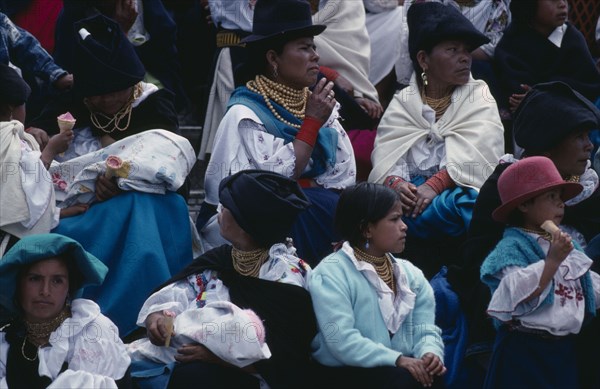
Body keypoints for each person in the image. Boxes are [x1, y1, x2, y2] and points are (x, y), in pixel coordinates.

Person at [24, 14, 194, 337]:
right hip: (86, 212)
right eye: (94, 96)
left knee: (150, 213)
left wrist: (126, 183)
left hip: (144, 208)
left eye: (110, 93)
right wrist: (37, 135)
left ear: (129, 84)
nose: (102, 102)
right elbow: (40, 132)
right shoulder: (78, 102)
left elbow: (173, 170)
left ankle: (144, 311)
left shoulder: (155, 106)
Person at [447, 80, 600, 388]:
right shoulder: (508, 186)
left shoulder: (587, 185)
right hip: (523, 323)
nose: (590, 146)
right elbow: (485, 262)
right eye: (579, 136)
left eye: (589, 136)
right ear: (550, 143)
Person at [199, 0, 356, 266]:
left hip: (309, 206)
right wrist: (311, 122)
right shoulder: (245, 114)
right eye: (304, 48)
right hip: (247, 220)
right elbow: (273, 186)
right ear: (273, 58)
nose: (315, 56)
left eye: (314, 47)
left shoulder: (316, 102)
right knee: (303, 209)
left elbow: (342, 175)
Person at [130, 170, 316, 388]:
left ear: (246, 223)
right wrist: (158, 318)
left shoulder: (288, 280)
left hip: (248, 378)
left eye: (226, 207)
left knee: (196, 376)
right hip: (184, 357)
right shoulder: (220, 260)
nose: (219, 210)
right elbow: (179, 292)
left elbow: (289, 359)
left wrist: (218, 357)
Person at [369, 1, 504, 276]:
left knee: (470, 204)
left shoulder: (479, 95)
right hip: (408, 205)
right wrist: (398, 183)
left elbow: (482, 155)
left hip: (455, 205)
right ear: (423, 59)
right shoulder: (403, 103)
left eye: (466, 50)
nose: (465, 57)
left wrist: (435, 185)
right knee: (376, 205)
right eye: (452, 50)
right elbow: (386, 156)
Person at [309, 182, 445, 388]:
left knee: (430, 376)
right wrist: (397, 359)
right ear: (367, 229)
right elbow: (341, 340)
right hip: (346, 374)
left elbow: (425, 328)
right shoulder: (330, 273)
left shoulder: (410, 274)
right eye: (394, 219)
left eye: (402, 218)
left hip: (396, 371)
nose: (404, 225)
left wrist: (429, 353)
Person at [480, 156, 600, 389]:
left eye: (561, 197)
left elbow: (589, 285)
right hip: (524, 352)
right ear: (524, 205)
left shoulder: (567, 246)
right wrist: (552, 261)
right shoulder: (512, 247)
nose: (560, 204)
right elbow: (515, 291)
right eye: (551, 197)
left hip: (561, 352)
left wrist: (560, 256)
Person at [0, 233, 131, 388]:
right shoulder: (6, 341)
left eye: (57, 281)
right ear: (18, 285)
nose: (45, 291)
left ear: (69, 288)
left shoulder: (94, 332)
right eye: (34, 278)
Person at [0, 63, 85, 256]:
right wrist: (50, 152)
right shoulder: (9, 137)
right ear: (11, 110)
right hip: (9, 241)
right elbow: (22, 189)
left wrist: (57, 214)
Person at [495, 0, 600, 114]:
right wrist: (533, 99)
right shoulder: (513, 39)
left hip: (570, 119)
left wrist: (543, 96)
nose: (562, 4)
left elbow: (589, 87)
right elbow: (517, 95)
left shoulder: (572, 39)